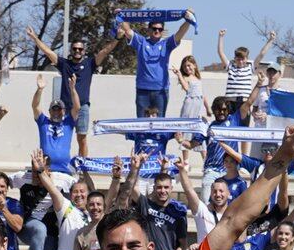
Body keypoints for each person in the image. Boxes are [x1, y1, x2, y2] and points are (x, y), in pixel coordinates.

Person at [26, 25, 117, 157]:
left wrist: (118, 38)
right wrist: (34, 38)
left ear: (84, 51)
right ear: (71, 50)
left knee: (82, 138)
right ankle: (58, 162)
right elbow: (47, 52)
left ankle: (82, 168)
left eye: (80, 49)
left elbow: (105, 51)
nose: (77, 51)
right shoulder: (64, 64)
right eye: (75, 49)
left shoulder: (89, 64)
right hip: (64, 108)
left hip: (81, 108)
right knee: (59, 137)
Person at [118, 9, 194, 115]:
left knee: (159, 124)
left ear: (162, 31)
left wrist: (188, 18)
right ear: (149, 30)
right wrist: (121, 14)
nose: (157, 31)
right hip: (142, 90)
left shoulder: (166, 44)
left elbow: (180, 33)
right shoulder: (141, 42)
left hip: (161, 91)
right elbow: (127, 31)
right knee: (142, 124)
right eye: (154, 28)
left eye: (160, 29)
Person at [216, 26, 276, 100]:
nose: (240, 61)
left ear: (247, 59)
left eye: (243, 59)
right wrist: (221, 37)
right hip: (230, 100)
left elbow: (262, 54)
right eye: (238, 59)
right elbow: (220, 52)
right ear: (235, 59)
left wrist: (270, 40)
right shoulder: (230, 66)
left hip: (244, 101)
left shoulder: (250, 67)